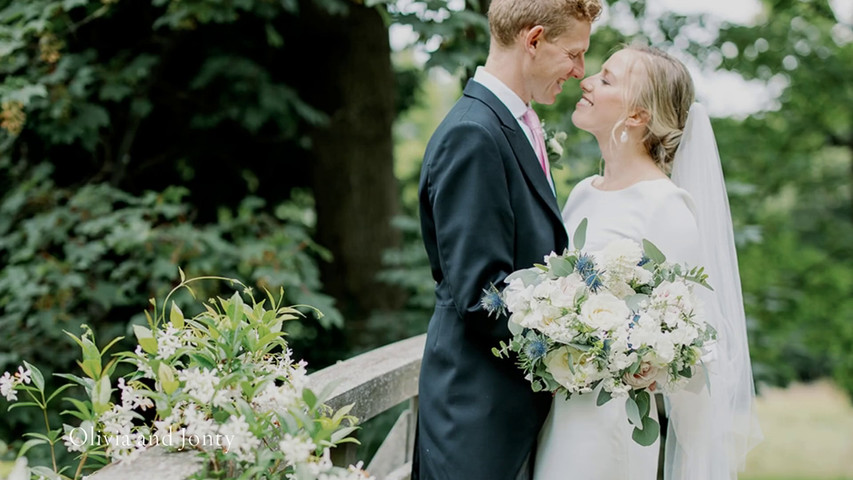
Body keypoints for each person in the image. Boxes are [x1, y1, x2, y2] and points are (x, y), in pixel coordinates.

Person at [534, 45, 763, 479]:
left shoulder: (666, 207)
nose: (585, 82)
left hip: (612, 427)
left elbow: (691, 347)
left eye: (606, 79)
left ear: (637, 116)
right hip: (560, 412)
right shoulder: (583, 191)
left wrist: (642, 361)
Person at [412, 1, 602, 479]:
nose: (581, 72)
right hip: (477, 419)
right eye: (574, 54)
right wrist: (590, 337)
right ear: (533, 40)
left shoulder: (513, 123)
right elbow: (483, 297)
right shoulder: (474, 134)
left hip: (511, 410)